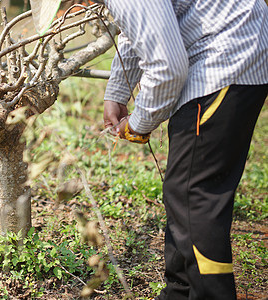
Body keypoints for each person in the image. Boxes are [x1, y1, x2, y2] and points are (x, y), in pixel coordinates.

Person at [99, 0, 268, 299]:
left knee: (194, 197)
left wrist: (139, 123)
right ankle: (179, 293)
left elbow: (167, 68)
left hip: (223, 60)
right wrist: (118, 90)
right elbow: (143, 26)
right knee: (184, 193)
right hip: (238, 49)